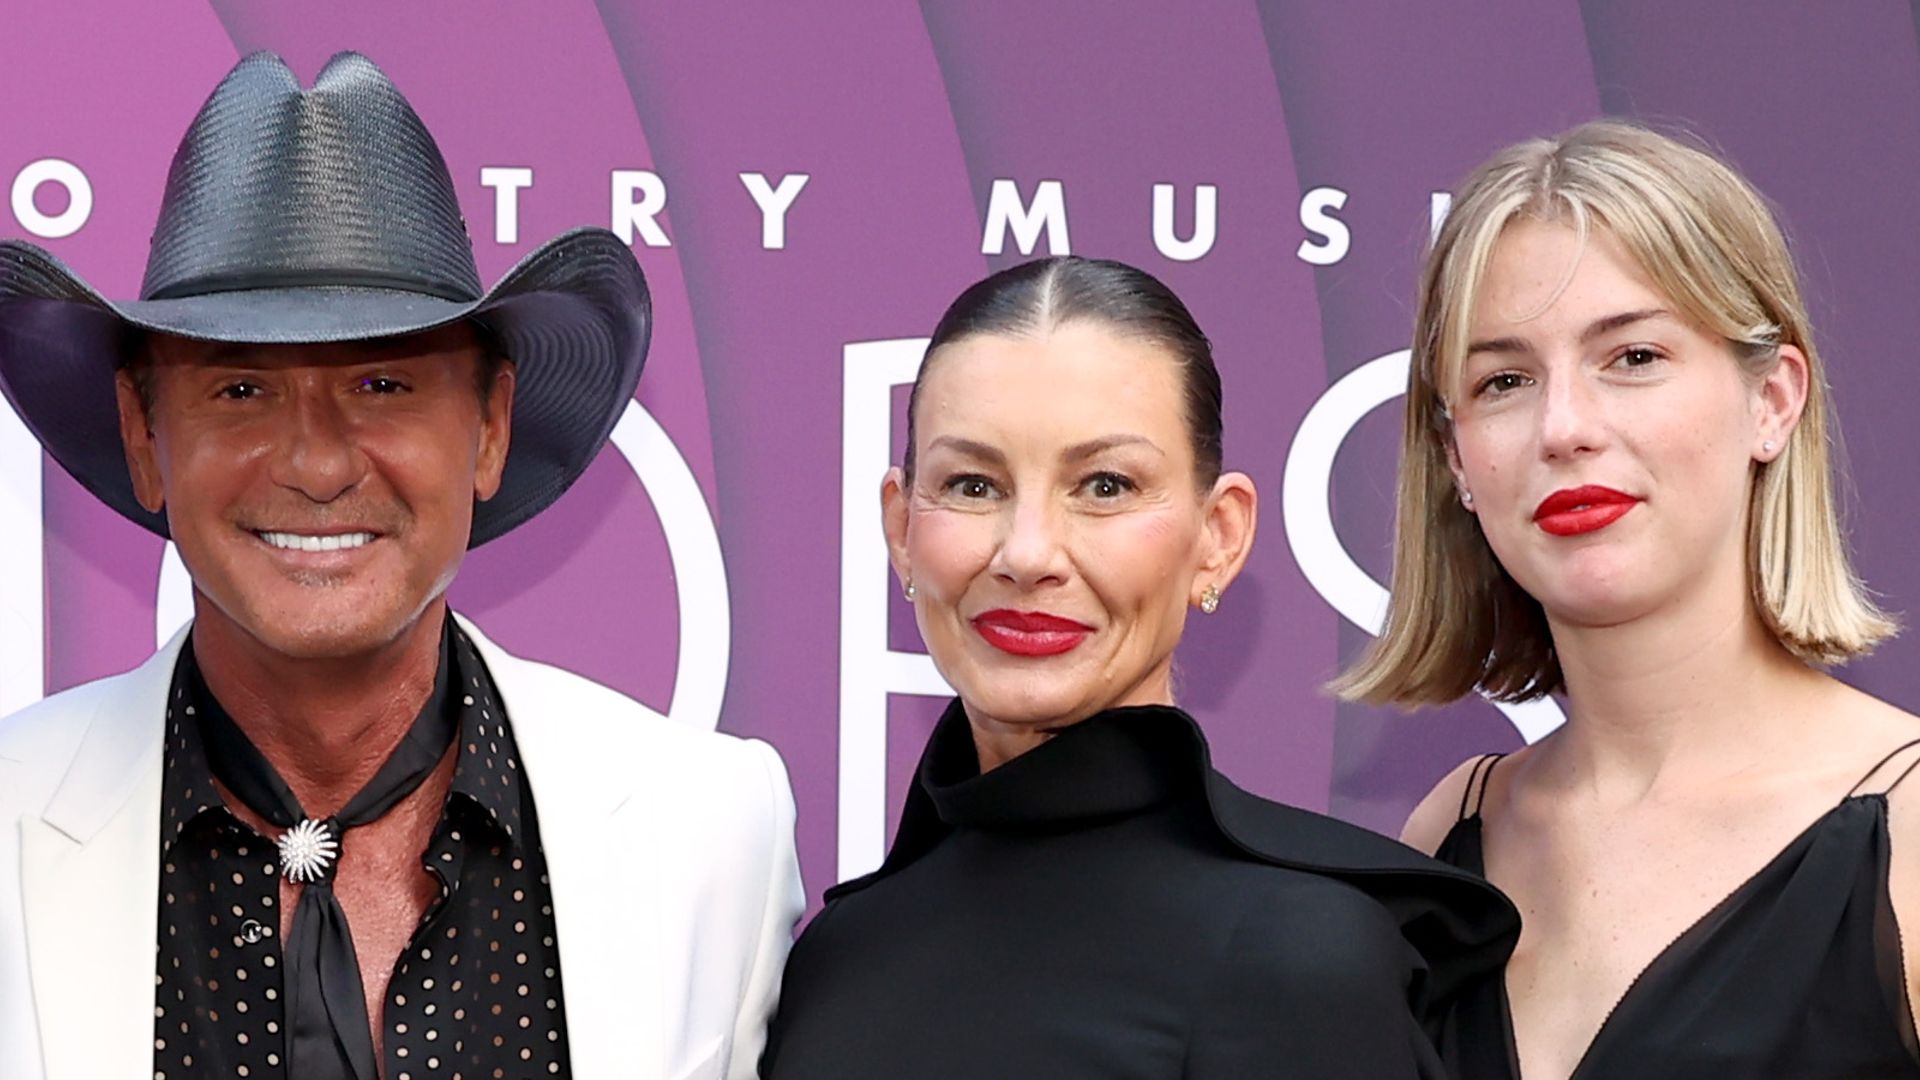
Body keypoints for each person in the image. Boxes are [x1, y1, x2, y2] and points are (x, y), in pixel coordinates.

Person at [0, 52, 801, 1080]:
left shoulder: (711, 830)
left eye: (382, 382)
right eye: (240, 391)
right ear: (145, 437)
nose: (319, 464)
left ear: (490, 428)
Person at [761, 256, 1518, 1079]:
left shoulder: (1304, 951)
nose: (1027, 553)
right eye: (974, 485)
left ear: (1219, 537)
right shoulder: (837, 955)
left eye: (1105, 485)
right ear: (903, 528)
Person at [1338, 120, 1920, 1079]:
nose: (1564, 427)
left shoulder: (1906, 833)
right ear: (1457, 461)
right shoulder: (1454, 832)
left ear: (1772, 400)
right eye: (1506, 380)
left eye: (1633, 357)